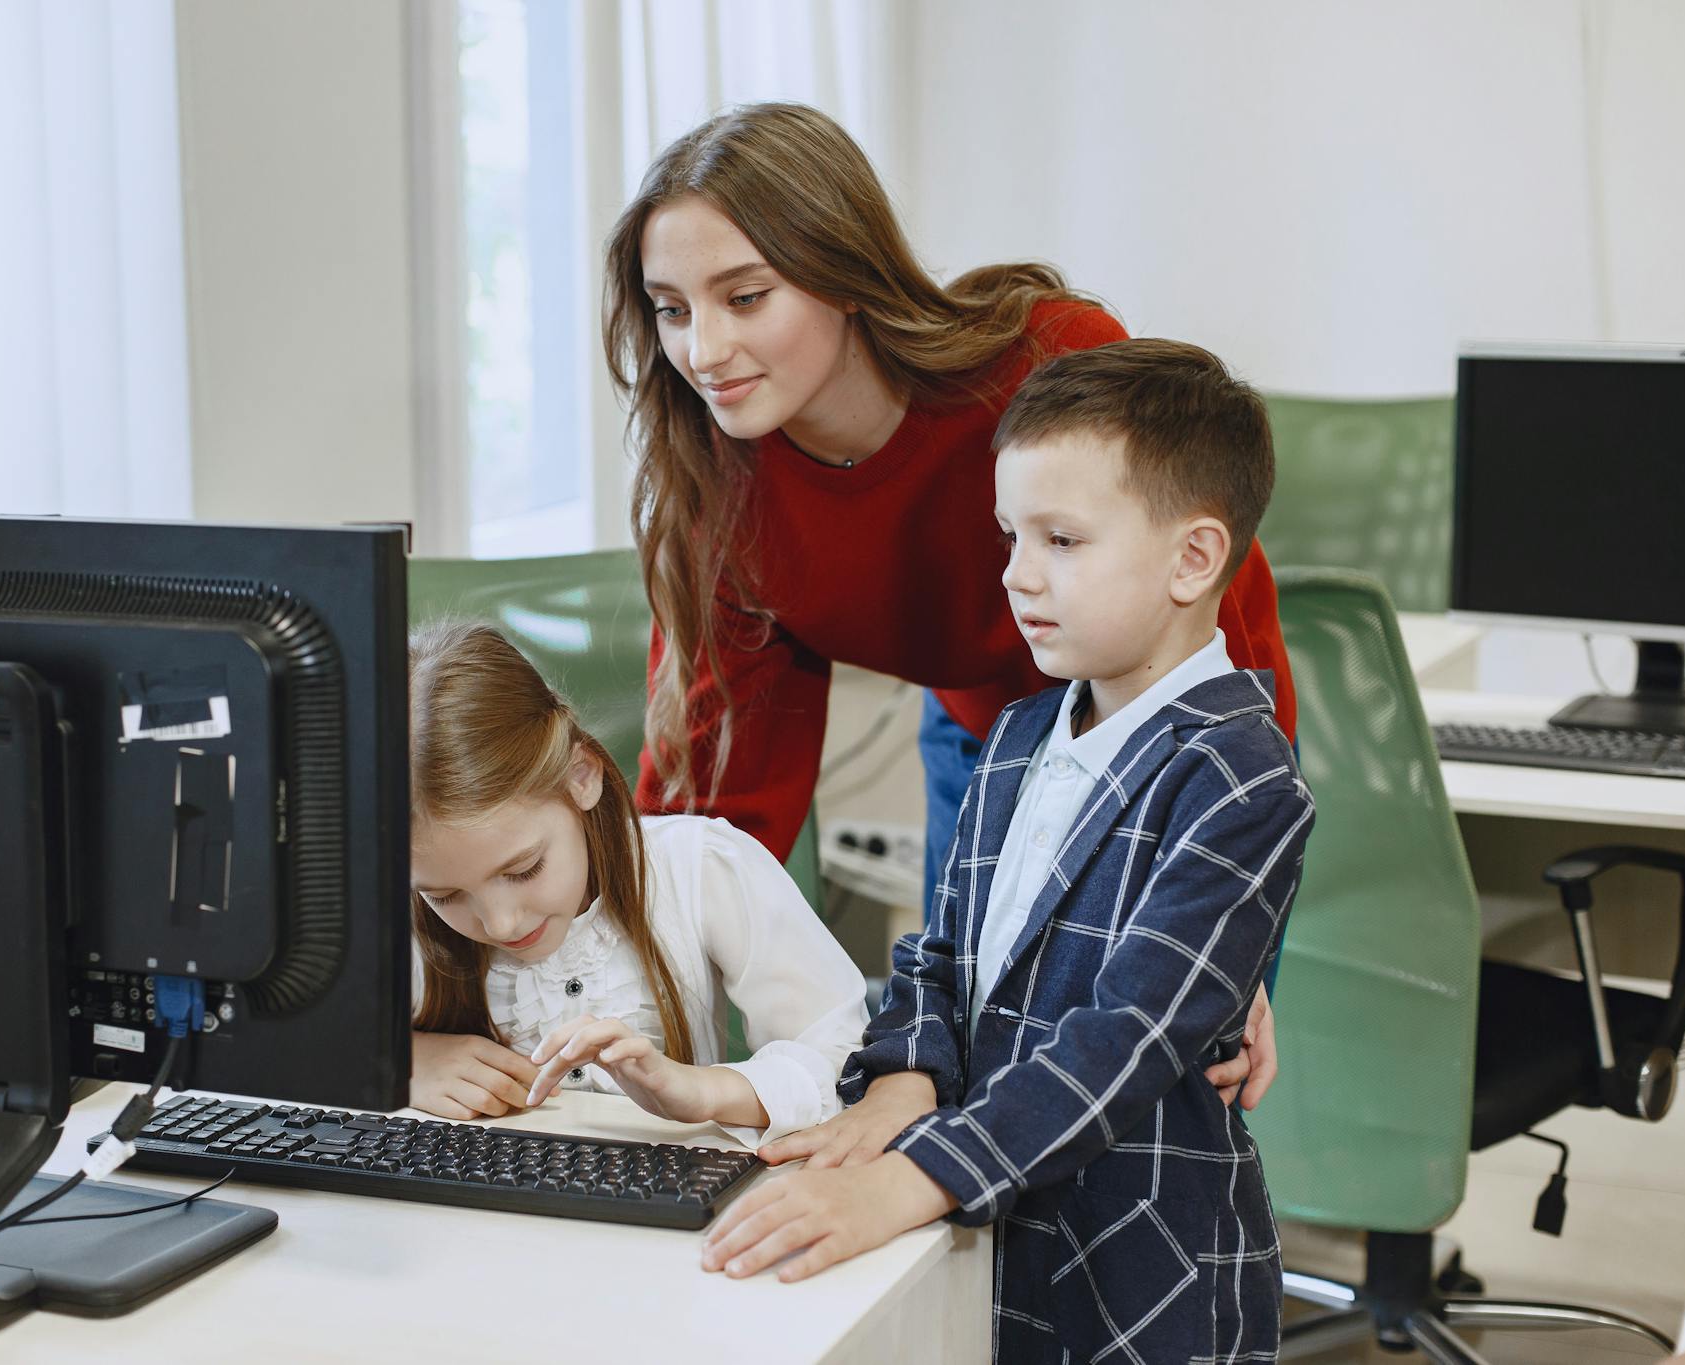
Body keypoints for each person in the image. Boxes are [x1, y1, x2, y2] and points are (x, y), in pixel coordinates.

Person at [603, 101, 1286, 1105]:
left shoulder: (1042, 362)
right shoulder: (721, 490)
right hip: (984, 745)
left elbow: (1210, 633)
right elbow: (717, 796)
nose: (701, 348)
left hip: (1176, 742)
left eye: (744, 297)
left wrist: (1215, 913)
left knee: (1153, 1097)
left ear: (841, 269)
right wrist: (621, 996)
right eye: (669, 308)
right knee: (971, 1082)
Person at [701, 340, 1313, 1363]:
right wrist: (903, 1075)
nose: (1016, 576)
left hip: (1134, 1261)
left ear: (1193, 559)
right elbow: (940, 953)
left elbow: (1124, 1037)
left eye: (1061, 541)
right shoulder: (1019, 736)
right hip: (988, 1220)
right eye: (1008, 536)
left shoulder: (1239, 781)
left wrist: (903, 1179)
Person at [404, 620, 868, 1146]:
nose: (500, 922)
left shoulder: (700, 864)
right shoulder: (394, 891)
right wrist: (403, 1062)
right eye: (444, 895)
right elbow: (297, 1047)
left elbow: (846, 1056)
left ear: (581, 776)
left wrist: (703, 1090)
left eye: (523, 869)